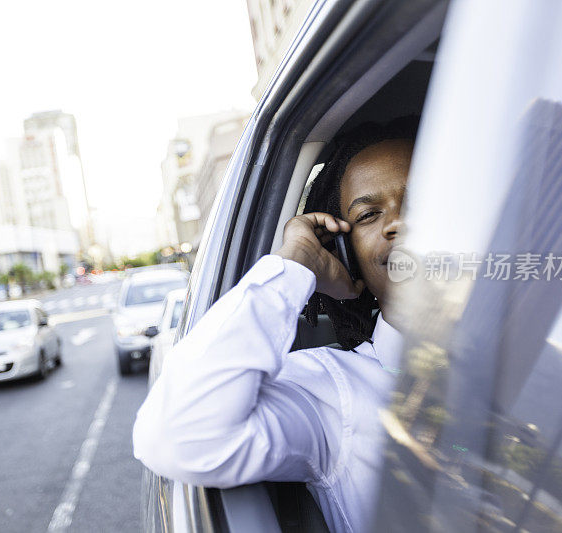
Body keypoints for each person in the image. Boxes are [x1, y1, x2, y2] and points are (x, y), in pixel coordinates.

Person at [133, 116, 418, 533]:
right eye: (370, 215)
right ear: (347, 255)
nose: (399, 224)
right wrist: (296, 262)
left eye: (421, 201)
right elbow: (179, 435)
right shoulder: (334, 392)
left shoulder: (539, 352)